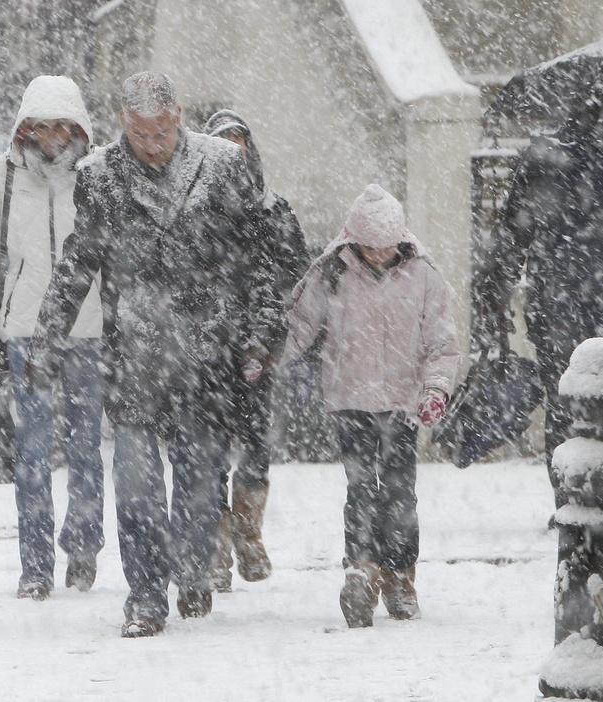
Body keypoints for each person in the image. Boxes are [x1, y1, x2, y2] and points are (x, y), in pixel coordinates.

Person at [28, 72, 281, 637]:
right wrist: (47, 338)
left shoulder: (221, 167)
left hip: (206, 357)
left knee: (196, 485)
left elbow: (256, 260)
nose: (153, 144)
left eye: (163, 132)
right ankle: (144, 595)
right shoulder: (100, 178)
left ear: (180, 117)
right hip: (136, 357)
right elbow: (77, 264)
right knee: (138, 486)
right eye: (142, 134)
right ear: (124, 122)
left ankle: (192, 569)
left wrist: (262, 332)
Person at [471, 96, 603, 519]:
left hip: (557, 305)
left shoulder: (543, 158)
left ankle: (570, 496)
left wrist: (492, 290)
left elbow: (513, 233)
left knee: (563, 402)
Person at [280, 184, 460, 628]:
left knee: (399, 494)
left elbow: (442, 344)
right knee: (360, 489)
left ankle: (399, 575)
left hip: (402, 405)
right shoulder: (330, 274)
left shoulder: (424, 276)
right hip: (350, 400)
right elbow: (298, 328)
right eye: (369, 247)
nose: (378, 255)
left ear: (401, 240)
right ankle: (361, 570)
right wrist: (263, 360)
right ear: (352, 240)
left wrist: (436, 390)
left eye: (386, 247)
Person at [0, 75, 105, 601]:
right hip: (22, 333)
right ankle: (36, 565)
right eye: (41, 127)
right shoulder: (0, 178)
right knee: (32, 451)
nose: (51, 137)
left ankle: (84, 545)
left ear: (77, 127)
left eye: (61, 126)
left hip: (88, 332)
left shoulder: (98, 176)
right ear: (26, 128)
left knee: (87, 448)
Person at [202, 109, 310, 588]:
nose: (233, 148)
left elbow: (297, 272)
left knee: (255, 444)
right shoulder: (193, 209)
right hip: (204, 348)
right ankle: (215, 543)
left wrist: (269, 322)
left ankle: (248, 534)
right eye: (222, 141)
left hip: (258, 348)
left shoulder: (272, 207)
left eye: (238, 139)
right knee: (206, 447)